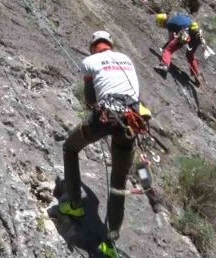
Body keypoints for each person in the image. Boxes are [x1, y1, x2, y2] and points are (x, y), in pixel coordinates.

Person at [60, 31, 149, 258]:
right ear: (110, 45)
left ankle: (75, 205)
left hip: (105, 117)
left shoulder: (89, 61)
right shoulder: (126, 59)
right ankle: (111, 244)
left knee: (70, 148)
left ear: (93, 47)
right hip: (131, 119)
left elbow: (90, 100)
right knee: (118, 182)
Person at [155, 13, 205, 86]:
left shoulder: (169, 24)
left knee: (168, 50)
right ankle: (198, 76)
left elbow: (171, 39)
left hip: (186, 33)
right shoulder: (179, 17)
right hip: (197, 34)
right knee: (190, 55)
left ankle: (164, 65)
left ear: (162, 23)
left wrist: (164, 47)